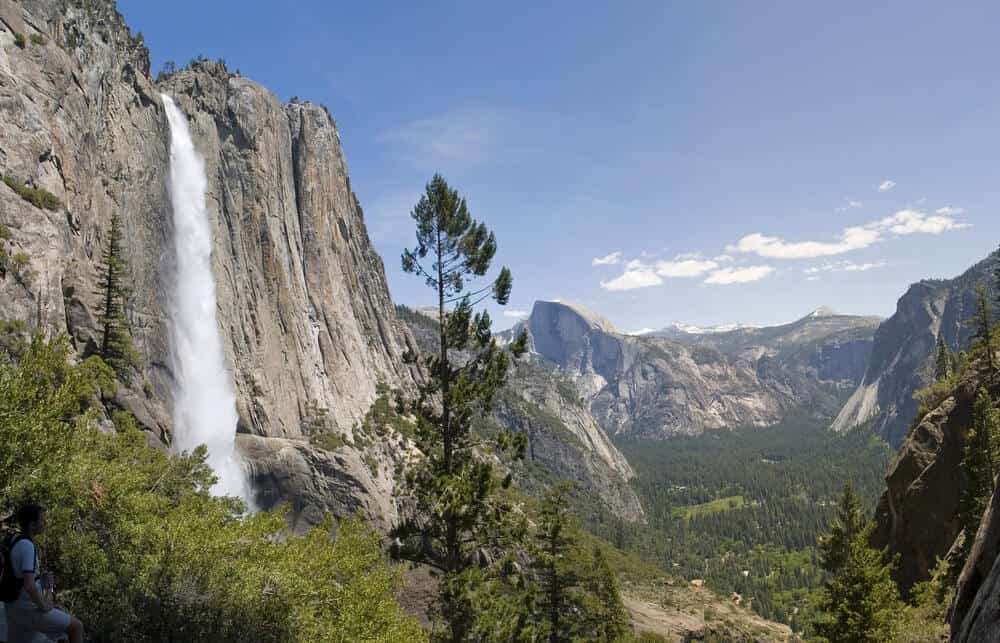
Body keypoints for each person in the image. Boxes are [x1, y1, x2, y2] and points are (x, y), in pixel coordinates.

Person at [3, 505, 83, 643]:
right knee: (76, 627)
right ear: (32, 525)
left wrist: (43, 581)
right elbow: (29, 585)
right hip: (28, 609)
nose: (45, 523)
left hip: (13, 606)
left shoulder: (13, 538)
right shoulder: (27, 546)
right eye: (42, 520)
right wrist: (44, 605)